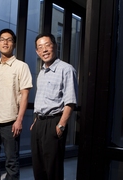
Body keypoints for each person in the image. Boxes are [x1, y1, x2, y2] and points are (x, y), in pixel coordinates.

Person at [0, 29, 33, 180]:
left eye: (9, 39)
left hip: (10, 121)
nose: (5, 42)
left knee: (11, 161)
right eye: (2, 39)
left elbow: (25, 94)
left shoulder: (21, 66)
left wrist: (19, 120)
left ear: (14, 44)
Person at [31, 32, 78, 180]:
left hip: (54, 123)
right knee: (38, 168)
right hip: (39, 123)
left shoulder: (66, 69)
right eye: (40, 47)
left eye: (47, 45)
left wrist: (61, 125)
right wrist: (35, 122)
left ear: (55, 46)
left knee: (53, 169)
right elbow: (41, 100)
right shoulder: (42, 73)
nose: (44, 50)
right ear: (37, 52)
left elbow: (70, 101)